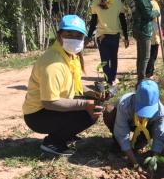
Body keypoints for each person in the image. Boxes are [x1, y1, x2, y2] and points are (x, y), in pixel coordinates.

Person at [22, 15, 103, 156]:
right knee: (89, 113)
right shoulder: (53, 64)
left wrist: (92, 93)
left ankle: (66, 133)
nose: (74, 38)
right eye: (69, 34)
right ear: (59, 36)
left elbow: (73, 84)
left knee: (95, 103)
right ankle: (53, 142)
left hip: (49, 108)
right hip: (37, 115)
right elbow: (49, 102)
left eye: (78, 35)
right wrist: (85, 104)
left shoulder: (71, 56)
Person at [103, 79, 164, 168]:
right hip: (128, 123)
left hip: (145, 125)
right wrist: (135, 164)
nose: (144, 114)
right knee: (109, 111)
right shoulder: (125, 104)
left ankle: (139, 143)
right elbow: (122, 132)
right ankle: (118, 145)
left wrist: (153, 163)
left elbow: (159, 136)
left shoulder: (160, 111)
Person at [87, 0, 129, 87]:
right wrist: (126, 37)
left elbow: (93, 23)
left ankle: (108, 80)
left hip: (101, 37)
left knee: (104, 59)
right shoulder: (118, 3)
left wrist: (88, 36)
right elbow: (123, 22)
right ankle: (112, 79)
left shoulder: (95, 3)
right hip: (114, 36)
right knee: (113, 58)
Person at [128, 0, 160, 82]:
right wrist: (156, 12)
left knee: (140, 56)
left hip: (137, 28)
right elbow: (147, 14)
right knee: (145, 57)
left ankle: (139, 78)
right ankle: (141, 80)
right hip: (144, 29)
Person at [146, 0, 164, 78]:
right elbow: (155, 22)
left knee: (148, 55)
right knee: (152, 55)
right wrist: (160, 34)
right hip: (153, 34)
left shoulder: (148, 2)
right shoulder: (154, 4)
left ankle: (149, 72)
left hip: (148, 33)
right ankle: (149, 74)